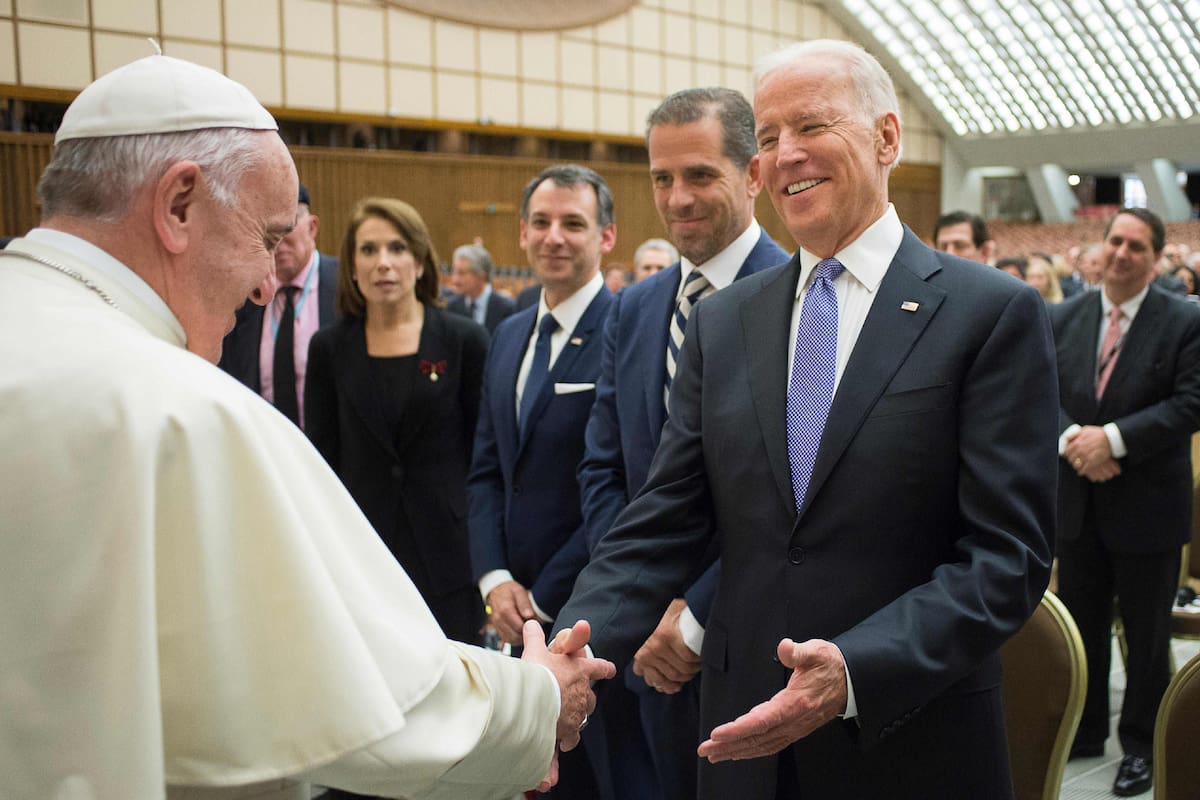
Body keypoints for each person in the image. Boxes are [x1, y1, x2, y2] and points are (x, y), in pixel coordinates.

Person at [0, 54, 615, 800]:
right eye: (264, 237)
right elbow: (366, 704)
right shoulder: (179, 410)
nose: (268, 282)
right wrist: (537, 699)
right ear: (179, 205)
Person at [553, 39, 1058, 800]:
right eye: (766, 137)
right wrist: (569, 647)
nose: (784, 155)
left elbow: (1007, 558)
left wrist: (853, 669)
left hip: (908, 740)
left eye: (811, 127)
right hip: (741, 745)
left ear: (887, 138)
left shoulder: (989, 314)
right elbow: (664, 519)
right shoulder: (724, 324)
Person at [577, 86, 789, 800]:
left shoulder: (802, 298)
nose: (678, 198)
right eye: (662, 178)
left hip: (753, 638)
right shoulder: (634, 308)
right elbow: (605, 468)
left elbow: (794, 493)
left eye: (699, 175)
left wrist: (696, 608)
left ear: (753, 174)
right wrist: (644, 602)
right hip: (643, 646)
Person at [468, 164, 617, 799]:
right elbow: (485, 470)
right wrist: (495, 580)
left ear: (606, 237)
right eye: (541, 223)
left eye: (574, 224)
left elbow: (624, 484)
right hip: (508, 610)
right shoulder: (505, 334)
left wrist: (544, 596)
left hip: (588, 607)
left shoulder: (624, 329)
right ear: (522, 235)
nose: (555, 237)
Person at [1050, 207, 1200, 797]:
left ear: (1156, 258)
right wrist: (1072, 439)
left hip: (1148, 505)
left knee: (1145, 634)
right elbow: (1037, 390)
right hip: (1077, 501)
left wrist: (1111, 440)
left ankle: (1143, 745)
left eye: (1137, 246)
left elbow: (1191, 403)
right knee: (1081, 627)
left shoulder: (1183, 321)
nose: (1121, 253)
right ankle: (1082, 733)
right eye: (1115, 241)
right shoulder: (1065, 315)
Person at [304, 198, 488, 647]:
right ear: (351, 266)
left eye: (397, 248)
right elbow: (322, 461)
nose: (383, 263)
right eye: (368, 251)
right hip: (364, 554)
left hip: (448, 553)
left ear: (421, 261)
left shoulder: (464, 340)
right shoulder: (329, 349)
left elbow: (482, 458)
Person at [218, 182, 338, 429]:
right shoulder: (243, 297)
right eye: (266, 231)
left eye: (286, 227)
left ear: (312, 227)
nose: (278, 241)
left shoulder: (347, 290)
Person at [446, 243, 516, 334]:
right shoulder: (450, 307)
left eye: (461, 273)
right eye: (454, 272)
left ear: (480, 276)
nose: (455, 280)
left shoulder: (507, 308)